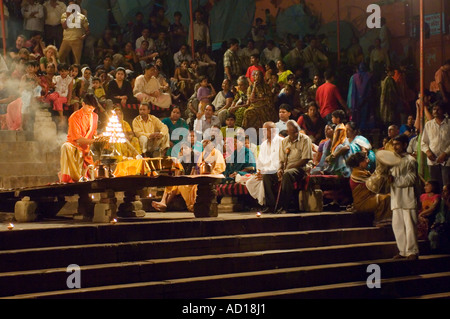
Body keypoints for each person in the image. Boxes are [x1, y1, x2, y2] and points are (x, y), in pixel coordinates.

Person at [151, 138, 225, 212]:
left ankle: (190, 205)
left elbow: (219, 168)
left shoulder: (216, 153)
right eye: (204, 142)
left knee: (180, 186)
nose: (206, 144)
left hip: (207, 177)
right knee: (172, 184)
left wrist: (209, 173)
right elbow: (198, 167)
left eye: (208, 142)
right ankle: (163, 202)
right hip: (197, 177)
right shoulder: (202, 154)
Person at [263, 120, 313, 214]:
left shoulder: (305, 139)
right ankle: (271, 205)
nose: (295, 134)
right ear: (287, 132)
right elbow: (281, 160)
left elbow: (305, 159)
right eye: (293, 132)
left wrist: (290, 166)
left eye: (296, 131)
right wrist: (280, 169)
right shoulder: (285, 141)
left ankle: (285, 206)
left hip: (301, 168)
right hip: (287, 168)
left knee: (287, 174)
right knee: (267, 175)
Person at [389, 134, 420, 260]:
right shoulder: (391, 160)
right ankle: (402, 251)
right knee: (397, 226)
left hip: (408, 197)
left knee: (410, 225)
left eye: (397, 144)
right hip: (396, 197)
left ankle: (412, 251)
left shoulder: (411, 160)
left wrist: (394, 180)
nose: (395, 147)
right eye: (394, 144)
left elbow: (411, 179)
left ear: (405, 145)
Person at [59, 94, 99, 183]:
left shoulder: (94, 116)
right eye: (89, 107)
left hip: (87, 147)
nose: (91, 110)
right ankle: (70, 176)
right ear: (83, 104)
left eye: (93, 108)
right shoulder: (75, 117)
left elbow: (94, 133)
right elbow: (78, 139)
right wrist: (95, 141)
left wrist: (99, 138)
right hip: (75, 146)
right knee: (66, 146)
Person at [347, 152, 392, 227]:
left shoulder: (363, 172)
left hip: (368, 199)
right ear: (360, 162)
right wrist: (381, 168)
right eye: (366, 159)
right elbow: (374, 183)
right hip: (363, 202)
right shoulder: (357, 173)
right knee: (386, 198)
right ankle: (380, 222)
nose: (368, 161)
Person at [246, 121, 283, 208]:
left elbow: (281, 161)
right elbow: (259, 161)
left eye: (265, 130)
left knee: (265, 177)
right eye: (262, 131)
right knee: (250, 182)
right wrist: (260, 171)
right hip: (264, 171)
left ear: (274, 131)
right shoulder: (263, 145)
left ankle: (270, 205)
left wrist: (266, 171)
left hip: (277, 171)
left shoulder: (281, 141)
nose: (263, 133)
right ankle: (262, 203)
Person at [421, 102, 450, 190]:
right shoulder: (428, 124)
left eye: (438, 109)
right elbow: (423, 142)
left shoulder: (449, 124)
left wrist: (445, 153)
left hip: (447, 160)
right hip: (433, 161)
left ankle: (446, 203)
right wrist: (428, 152)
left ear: (444, 110)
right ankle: (436, 203)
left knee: (447, 186)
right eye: (434, 109)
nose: (435, 111)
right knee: (435, 186)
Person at [347, 62, 374, 131]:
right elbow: (371, 91)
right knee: (365, 120)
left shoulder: (353, 77)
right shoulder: (369, 76)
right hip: (366, 103)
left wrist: (350, 106)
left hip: (355, 104)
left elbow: (351, 93)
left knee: (356, 122)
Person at [428, 184, 450, 252]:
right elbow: (440, 216)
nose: (443, 193)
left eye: (445, 191)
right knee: (433, 234)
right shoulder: (442, 201)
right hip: (442, 225)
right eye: (442, 191)